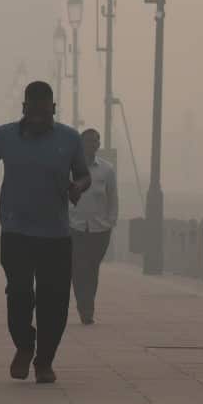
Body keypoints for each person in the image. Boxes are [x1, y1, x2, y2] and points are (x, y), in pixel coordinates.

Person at [0, 81, 90, 385]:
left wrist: (78, 186)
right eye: (33, 109)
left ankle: (44, 361)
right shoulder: (4, 135)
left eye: (45, 110)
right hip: (16, 232)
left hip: (56, 235)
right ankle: (25, 346)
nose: (38, 116)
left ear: (53, 108)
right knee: (19, 294)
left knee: (54, 300)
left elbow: (83, 173)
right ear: (24, 108)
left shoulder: (69, 138)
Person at [68, 129, 118, 325]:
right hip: (75, 227)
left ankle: (88, 303)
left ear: (99, 145)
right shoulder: (70, 169)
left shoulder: (107, 170)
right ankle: (85, 307)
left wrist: (110, 222)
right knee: (78, 267)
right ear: (81, 144)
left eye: (95, 141)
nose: (92, 145)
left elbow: (113, 198)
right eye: (88, 141)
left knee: (92, 268)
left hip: (99, 229)